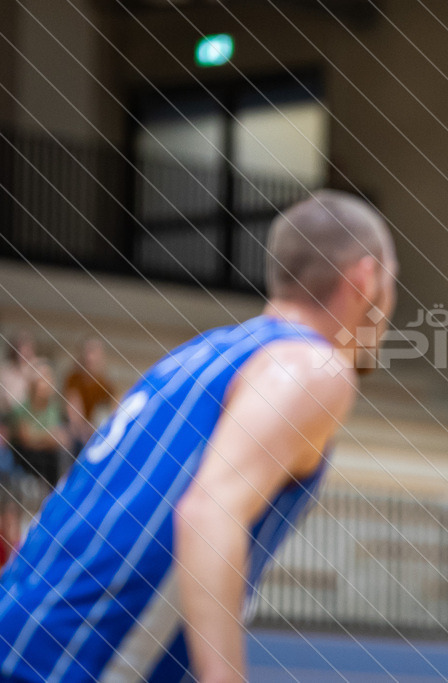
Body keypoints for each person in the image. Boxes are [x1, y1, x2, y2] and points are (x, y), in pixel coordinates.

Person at [0, 190, 397, 682]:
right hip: (69, 665)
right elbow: (209, 512)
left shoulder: (197, 355)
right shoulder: (313, 364)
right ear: (365, 278)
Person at [6, 360, 70, 490]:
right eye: (42, 380)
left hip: (46, 457)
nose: (45, 384)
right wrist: (46, 438)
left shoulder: (53, 409)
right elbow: (25, 438)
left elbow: (58, 439)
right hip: (23, 456)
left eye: (48, 379)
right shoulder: (21, 408)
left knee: (61, 456)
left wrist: (36, 437)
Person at [63, 336, 117, 456]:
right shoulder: (74, 380)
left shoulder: (106, 384)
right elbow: (73, 413)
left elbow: (113, 411)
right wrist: (84, 430)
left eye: (94, 353)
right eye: (88, 353)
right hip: (77, 431)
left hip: (95, 429)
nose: (90, 358)